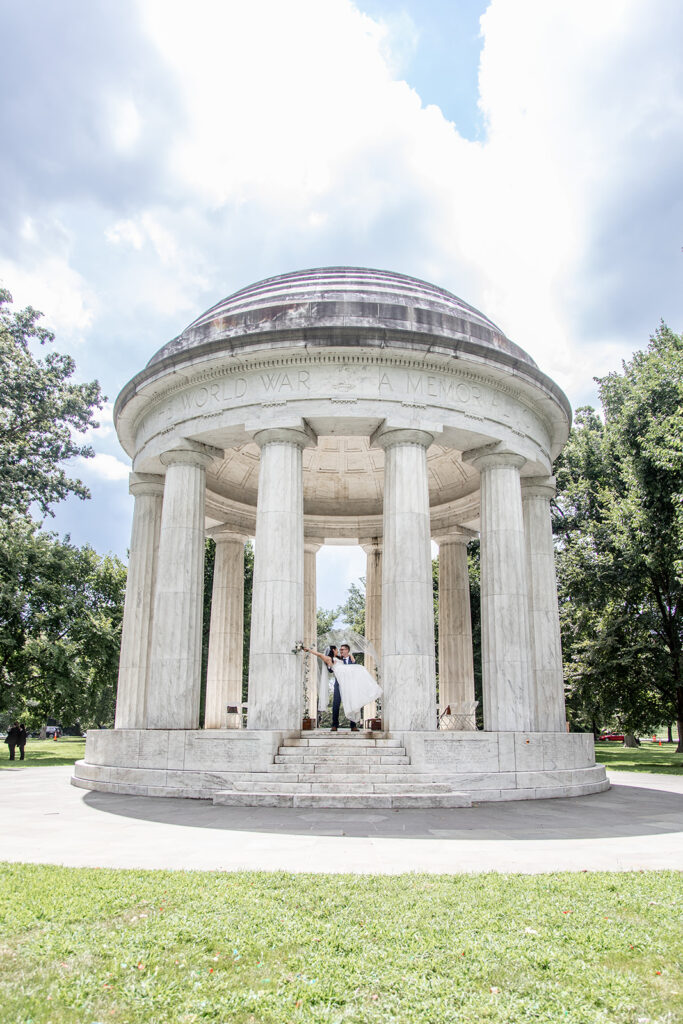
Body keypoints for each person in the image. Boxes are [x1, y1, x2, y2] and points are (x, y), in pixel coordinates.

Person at [304, 643, 381, 732]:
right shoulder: (333, 659)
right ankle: (334, 725)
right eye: (339, 650)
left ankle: (353, 725)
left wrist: (352, 657)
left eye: (342, 649)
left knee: (353, 703)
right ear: (334, 651)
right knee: (336, 704)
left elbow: (354, 672)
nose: (340, 651)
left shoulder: (350, 659)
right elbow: (328, 666)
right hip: (338, 685)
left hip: (350, 685)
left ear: (347, 650)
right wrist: (309, 650)